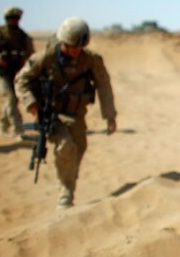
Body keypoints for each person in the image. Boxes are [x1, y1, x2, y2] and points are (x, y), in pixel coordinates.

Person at [14, 16, 117, 209]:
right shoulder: (46, 58)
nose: (75, 51)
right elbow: (22, 80)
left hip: (76, 116)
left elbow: (104, 87)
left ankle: (69, 183)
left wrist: (110, 116)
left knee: (78, 149)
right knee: (65, 146)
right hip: (50, 114)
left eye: (79, 47)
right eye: (72, 46)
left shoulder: (91, 61)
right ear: (63, 41)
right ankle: (65, 193)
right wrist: (30, 103)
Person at [0, 6, 35, 137]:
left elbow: (31, 56)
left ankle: (3, 126)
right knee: (10, 99)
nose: (14, 21)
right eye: (11, 18)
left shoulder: (23, 37)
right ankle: (18, 129)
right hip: (2, 73)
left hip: (18, 72)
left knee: (13, 101)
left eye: (16, 18)